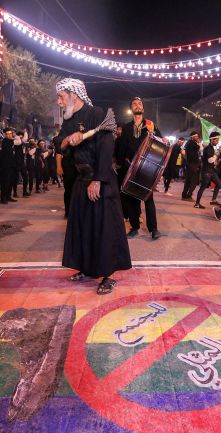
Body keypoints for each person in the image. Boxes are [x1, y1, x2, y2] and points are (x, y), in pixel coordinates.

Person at [56, 78, 131, 294]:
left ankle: (108, 276)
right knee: (82, 225)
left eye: (61, 97)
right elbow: (58, 143)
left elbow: (107, 149)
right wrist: (70, 138)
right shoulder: (69, 120)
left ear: (74, 95)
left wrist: (98, 180)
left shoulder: (98, 115)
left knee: (103, 228)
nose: (59, 102)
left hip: (100, 179)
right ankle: (86, 268)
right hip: (80, 179)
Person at [116, 97, 163, 240]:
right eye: (134, 104)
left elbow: (161, 144)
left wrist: (152, 133)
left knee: (148, 199)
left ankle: (153, 229)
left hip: (147, 168)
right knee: (131, 200)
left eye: (140, 104)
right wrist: (119, 164)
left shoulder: (150, 125)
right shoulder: (125, 127)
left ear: (143, 108)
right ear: (131, 109)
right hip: (130, 167)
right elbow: (121, 148)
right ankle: (134, 227)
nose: (137, 106)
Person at [194, 131, 221, 209]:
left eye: (218, 140)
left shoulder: (210, 148)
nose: (217, 141)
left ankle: (213, 200)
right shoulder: (208, 149)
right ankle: (197, 204)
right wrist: (216, 155)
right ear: (212, 140)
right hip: (206, 171)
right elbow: (210, 160)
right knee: (203, 187)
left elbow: (212, 161)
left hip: (211, 171)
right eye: (216, 140)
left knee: (219, 184)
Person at [0, 127, 19, 204]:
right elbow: (18, 141)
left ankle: (8, 196)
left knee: (10, 181)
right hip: (5, 165)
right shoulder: (6, 141)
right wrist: (15, 135)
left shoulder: (10, 141)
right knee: (5, 182)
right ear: (5, 135)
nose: (10, 135)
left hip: (11, 164)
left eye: (10, 133)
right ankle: (3, 198)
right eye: (8, 134)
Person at [181, 132, 201, 200]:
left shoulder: (188, 143)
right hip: (193, 164)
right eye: (196, 136)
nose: (197, 138)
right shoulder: (193, 143)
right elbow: (200, 148)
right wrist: (199, 142)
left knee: (188, 180)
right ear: (192, 137)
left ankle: (184, 195)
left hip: (189, 164)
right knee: (194, 181)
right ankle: (189, 195)